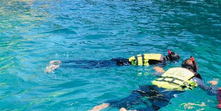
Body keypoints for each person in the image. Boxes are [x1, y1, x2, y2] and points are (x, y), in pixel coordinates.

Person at [83, 57, 216, 111]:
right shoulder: (195, 78)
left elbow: (157, 74)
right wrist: (213, 85)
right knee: (154, 107)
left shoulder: (171, 70)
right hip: (166, 93)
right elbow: (210, 92)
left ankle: (98, 108)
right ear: (195, 70)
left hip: (151, 87)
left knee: (125, 100)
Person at [45, 50, 180, 73]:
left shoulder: (159, 55)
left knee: (93, 62)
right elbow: (154, 70)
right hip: (123, 64)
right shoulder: (161, 63)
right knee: (92, 67)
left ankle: (62, 62)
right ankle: (59, 67)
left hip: (122, 59)